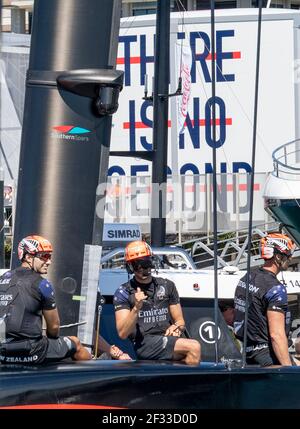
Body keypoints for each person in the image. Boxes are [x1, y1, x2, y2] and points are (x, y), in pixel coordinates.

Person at [113, 240, 201, 365]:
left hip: (167, 339)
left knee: (188, 355)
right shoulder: (123, 292)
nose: (143, 269)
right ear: (130, 267)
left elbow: (180, 321)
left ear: (152, 262)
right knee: (194, 347)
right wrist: (136, 308)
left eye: (146, 263)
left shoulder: (167, 285)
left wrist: (176, 328)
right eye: (137, 265)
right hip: (144, 343)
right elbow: (122, 333)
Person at [234, 232, 299, 367]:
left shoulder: (246, 278)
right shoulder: (275, 289)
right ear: (278, 256)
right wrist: (288, 371)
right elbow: (276, 335)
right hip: (268, 356)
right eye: (288, 255)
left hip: (247, 354)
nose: (291, 258)